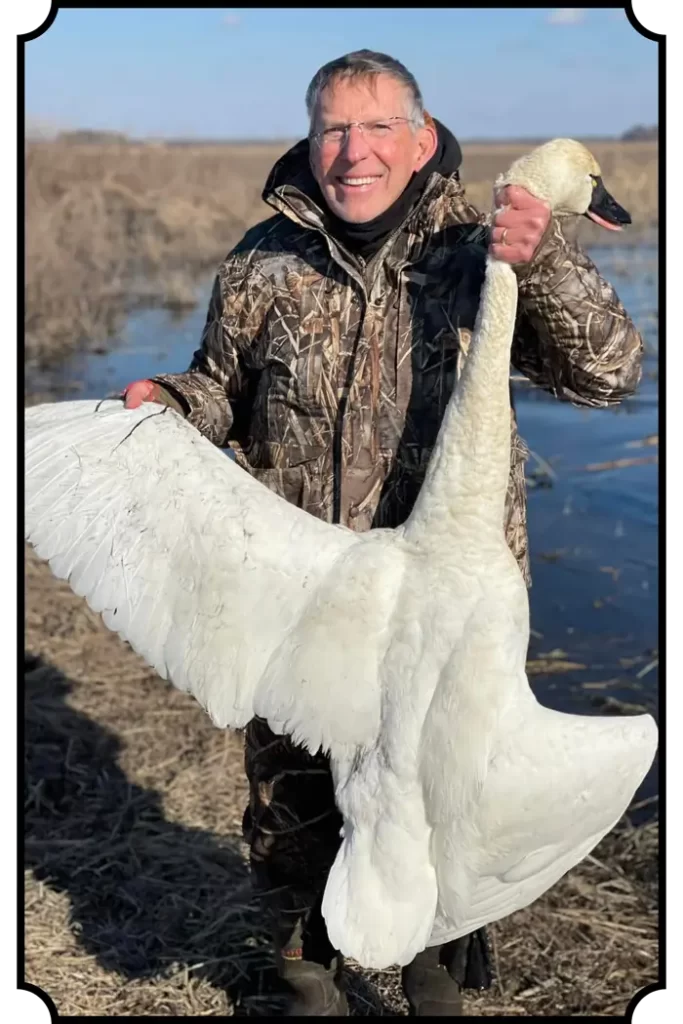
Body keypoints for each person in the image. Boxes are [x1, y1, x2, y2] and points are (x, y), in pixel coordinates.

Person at [121, 50, 644, 1016]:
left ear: (418, 135)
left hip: (444, 604)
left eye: (373, 129)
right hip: (302, 588)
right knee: (289, 794)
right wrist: (169, 405)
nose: (351, 152)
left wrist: (552, 259)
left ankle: (432, 972)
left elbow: (610, 377)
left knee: (442, 783)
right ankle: (305, 971)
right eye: (332, 129)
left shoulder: (480, 251)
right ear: (310, 139)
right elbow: (220, 389)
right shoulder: (260, 261)